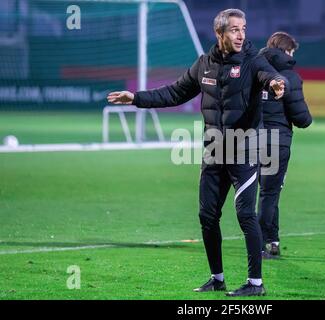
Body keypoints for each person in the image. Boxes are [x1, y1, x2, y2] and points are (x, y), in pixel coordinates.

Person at [107, 9, 287, 297]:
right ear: (220, 34)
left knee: (244, 215)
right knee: (206, 216)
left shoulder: (254, 60)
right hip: (215, 150)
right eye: (234, 30)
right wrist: (136, 98)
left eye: (244, 28)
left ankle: (256, 284)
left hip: (245, 149)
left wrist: (278, 84)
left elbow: (271, 76)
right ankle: (217, 278)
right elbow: (174, 93)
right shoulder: (204, 64)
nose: (241, 35)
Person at [257, 32, 312, 259]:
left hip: (249, 140)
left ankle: (272, 240)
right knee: (270, 193)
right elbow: (302, 119)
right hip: (276, 142)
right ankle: (259, 246)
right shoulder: (289, 76)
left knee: (263, 192)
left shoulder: (253, 71)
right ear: (287, 51)